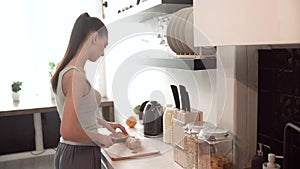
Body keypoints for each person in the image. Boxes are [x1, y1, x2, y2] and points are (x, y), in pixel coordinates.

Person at [51, 12, 128, 169]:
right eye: (104, 45)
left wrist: (105, 124)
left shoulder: (68, 68)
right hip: (79, 155)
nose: (103, 52)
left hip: (73, 153)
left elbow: (80, 112)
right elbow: (68, 131)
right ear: (94, 38)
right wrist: (98, 137)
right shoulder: (75, 75)